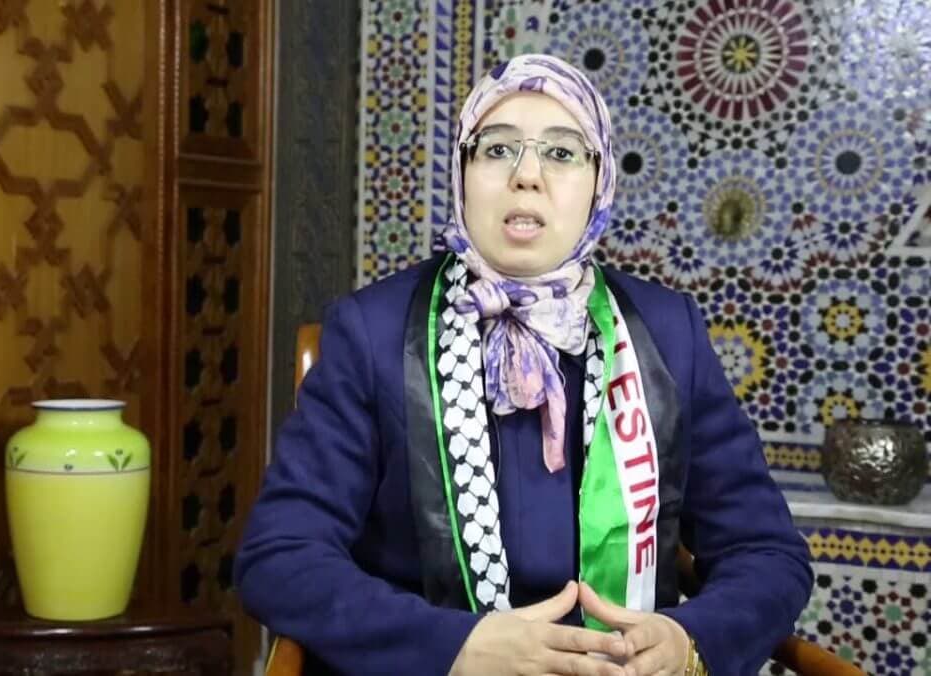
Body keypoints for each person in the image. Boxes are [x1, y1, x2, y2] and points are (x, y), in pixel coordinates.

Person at [235, 54, 812, 676]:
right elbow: (280, 556)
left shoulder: (668, 334)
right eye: (497, 149)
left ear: (599, 181)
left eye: (561, 152)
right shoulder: (371, 333)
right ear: (462, 173)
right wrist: (452, 647)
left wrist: (688, 642)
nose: (527, 176)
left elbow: (768, 553)